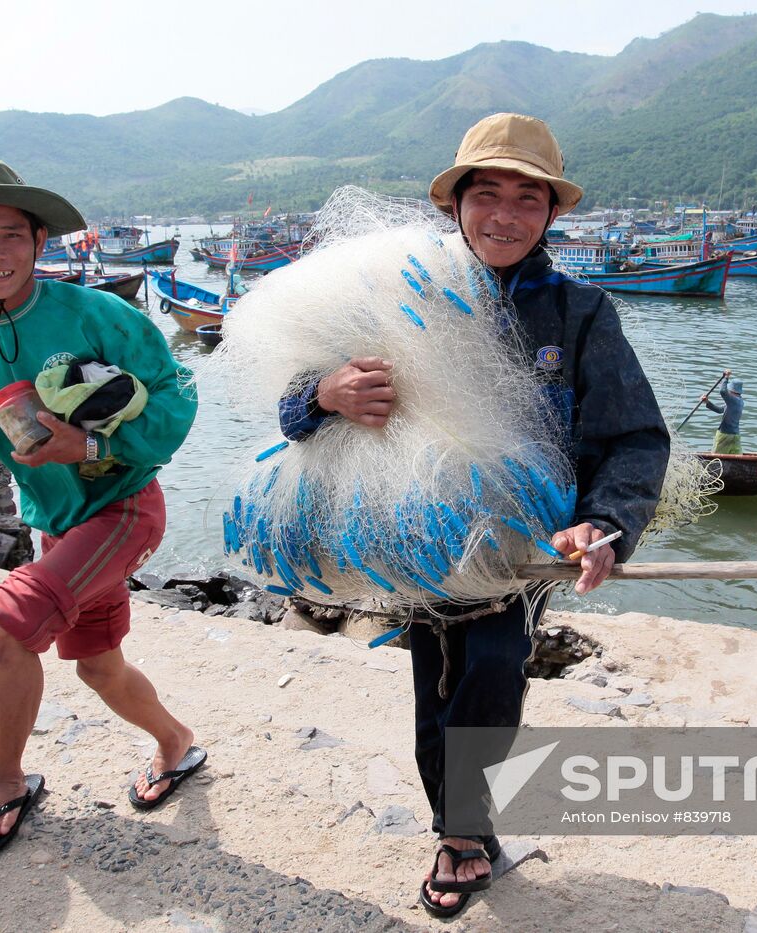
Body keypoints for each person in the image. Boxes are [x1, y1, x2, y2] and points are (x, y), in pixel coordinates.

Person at [278, 113, 670, 917]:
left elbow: (633, 436)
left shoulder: (581, 313)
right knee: (439, 676)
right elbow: (289, 409)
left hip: (527, 544)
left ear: (551, 215)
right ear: (453, 205)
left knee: (491, 666)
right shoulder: (394, 299)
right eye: (485, 194)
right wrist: (325, 394)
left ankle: (463, 832)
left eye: (528, 199)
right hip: (417, 541)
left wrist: (601, 522)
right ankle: (462, 826)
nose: (505, 215)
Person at [0, 155, 205, 868]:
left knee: (7, 621)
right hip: (53, 525)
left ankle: (4, 782)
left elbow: (176, 399)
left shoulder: (96, 314)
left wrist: (87, 440)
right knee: (99, 668)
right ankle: (177, 744)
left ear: (40, 241)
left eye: (11, 234)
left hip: (124, 507)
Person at [702, 376, 745, 454]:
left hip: (725, 435)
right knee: (737, 457)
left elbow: (722, 391)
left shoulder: (733, 400)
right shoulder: (739, 401)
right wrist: (707, 402)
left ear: (732, 391)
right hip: (735, 435)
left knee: (715, 457)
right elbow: (720, 410)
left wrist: (726, 378)